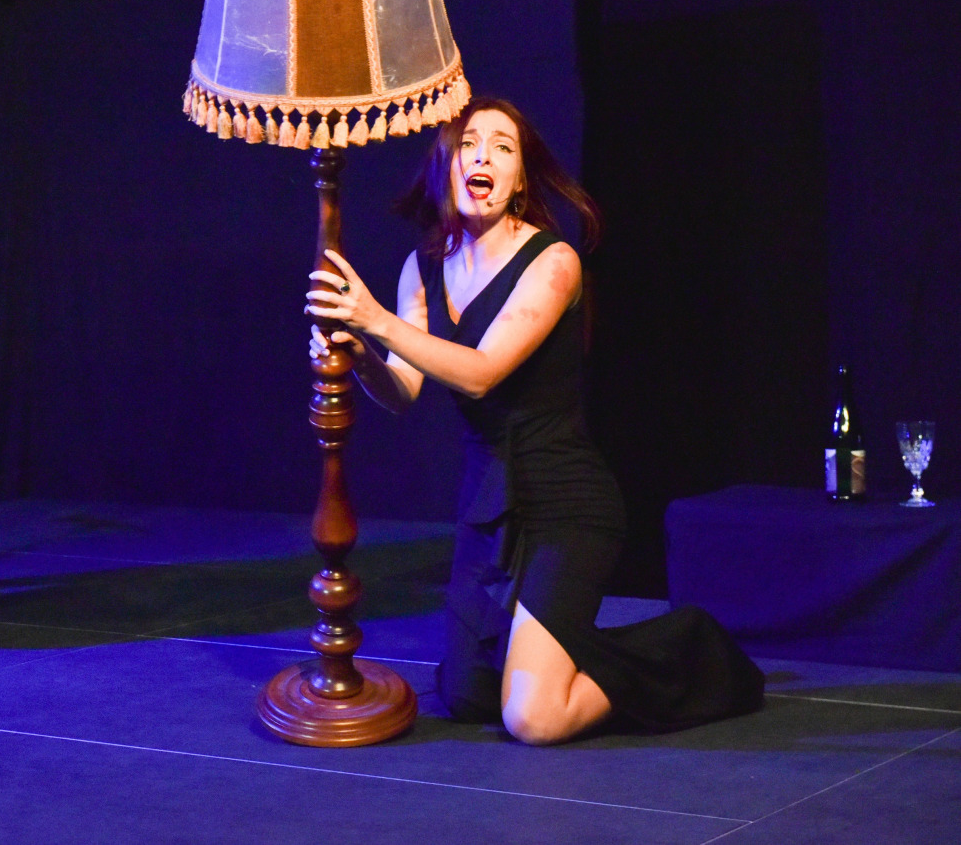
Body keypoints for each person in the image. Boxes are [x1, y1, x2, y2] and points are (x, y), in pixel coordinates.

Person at [306, 97, 763, 744]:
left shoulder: (553, 262)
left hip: (567, 506)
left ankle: (689, 647)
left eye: (502, 148)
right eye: (469, 145)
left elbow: (481, 372)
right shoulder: (422, 268)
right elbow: (403, 390)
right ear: (445, 166)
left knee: (532, 717)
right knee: (467, 697)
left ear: (520, 179)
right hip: (487, 507)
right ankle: (554, 652)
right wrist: (358, 352)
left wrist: (373, 319)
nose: (483, 157)